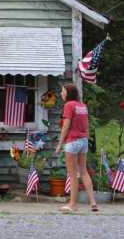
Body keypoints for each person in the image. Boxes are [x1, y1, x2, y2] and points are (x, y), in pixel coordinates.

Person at [55, 83, 98, 212]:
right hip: (83, 141)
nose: (61, 94)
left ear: (68, 93)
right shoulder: (82, 106)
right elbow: (87, 125)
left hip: (72, 142)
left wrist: (59, 144)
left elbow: (66, 126)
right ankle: (93, 202)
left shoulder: (68, 105)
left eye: (63, 92)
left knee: (73, 174)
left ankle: (72, 205)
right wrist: (84, 138)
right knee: (83, 172)